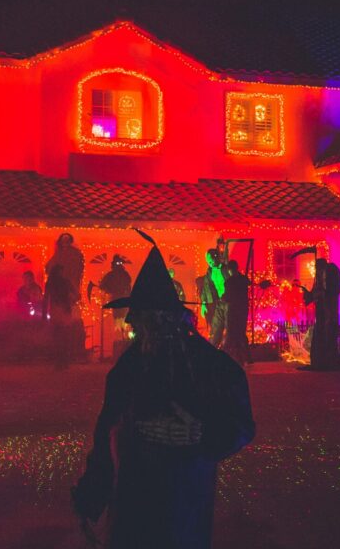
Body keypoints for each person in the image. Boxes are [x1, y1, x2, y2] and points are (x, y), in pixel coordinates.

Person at [73, 234, 255, 549]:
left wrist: (203, 433)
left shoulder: (205, 364)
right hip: (136, 492)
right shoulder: (131, 366)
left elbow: (240, 422)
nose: (142, 330)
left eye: (148, 322)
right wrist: (94, 493)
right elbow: (105, 433)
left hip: (185, 496)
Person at [300, 259, 340, 371]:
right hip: (321, 315)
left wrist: (317, 294)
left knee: (327, 336)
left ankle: (327, 362)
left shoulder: (330, 271)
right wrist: (310, 294)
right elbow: (316, 294)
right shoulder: (321, 277)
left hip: (328, 314)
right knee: (321, 335)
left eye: (317, 268)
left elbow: (327, 292)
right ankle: (320, 362)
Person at [45, 264, 79, 370]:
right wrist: (71, 301)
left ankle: (59, 362)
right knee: (64, 336)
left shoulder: (50, 283)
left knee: (57, 337)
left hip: (55, 310)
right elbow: (77, 295)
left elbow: (46, 298)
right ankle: (64, 361)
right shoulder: (65, 282)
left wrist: (43, 314)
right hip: (64, 309)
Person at [99, 254, 133, 353]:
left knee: (123, 319)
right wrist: (110, 291)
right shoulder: (110, 275)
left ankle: (123, 339)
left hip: (123, 300)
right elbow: (103, 285)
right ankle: (117, 339)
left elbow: (128, 285)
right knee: (117, 320)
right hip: (115, 300)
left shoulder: (125, 275)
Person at [222, 260, 252, 365]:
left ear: (230, 270)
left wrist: (222, 298)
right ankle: (247, 357)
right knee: (241, 333)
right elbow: (248, 284)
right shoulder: (243, 279)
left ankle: (233, 356)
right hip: (243, 309)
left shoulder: (229, 282)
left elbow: (227, 296)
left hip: (233, 310)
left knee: (232, 333)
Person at [196, 249, 227, 347]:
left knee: (230, 327)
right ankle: (215, 347)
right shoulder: (209, 271)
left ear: (215, 257)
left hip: (229, 302)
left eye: (210, 260)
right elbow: (206, 288)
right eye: (207, 260)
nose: (208, 262)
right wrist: (204, 303)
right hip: (218, 303)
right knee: (215, 326)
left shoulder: (226, 269)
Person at [45, 233, 85, 307]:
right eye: (63, 239)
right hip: (59, 283)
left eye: (67, 239)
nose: (65, 241)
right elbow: (50, 265)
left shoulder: (76, 253)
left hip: (71, 280)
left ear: (70, 241)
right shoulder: (59, 252)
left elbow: (79, 267)